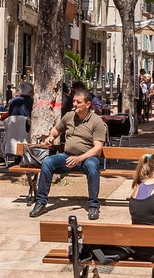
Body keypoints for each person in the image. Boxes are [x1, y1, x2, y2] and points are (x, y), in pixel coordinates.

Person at [30, 88, 106, 219]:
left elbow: (98, 148)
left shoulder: (96, 121)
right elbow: (56, 130)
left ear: (88, 104)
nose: (75, 104)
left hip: (87, 157)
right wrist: (51, 137)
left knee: (93, 168)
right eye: (74, 101)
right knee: (48, 163)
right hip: (67, 156)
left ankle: (93, 205)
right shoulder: (69, 116)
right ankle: (40, 202)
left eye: (78, 102)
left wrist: (79, 158)